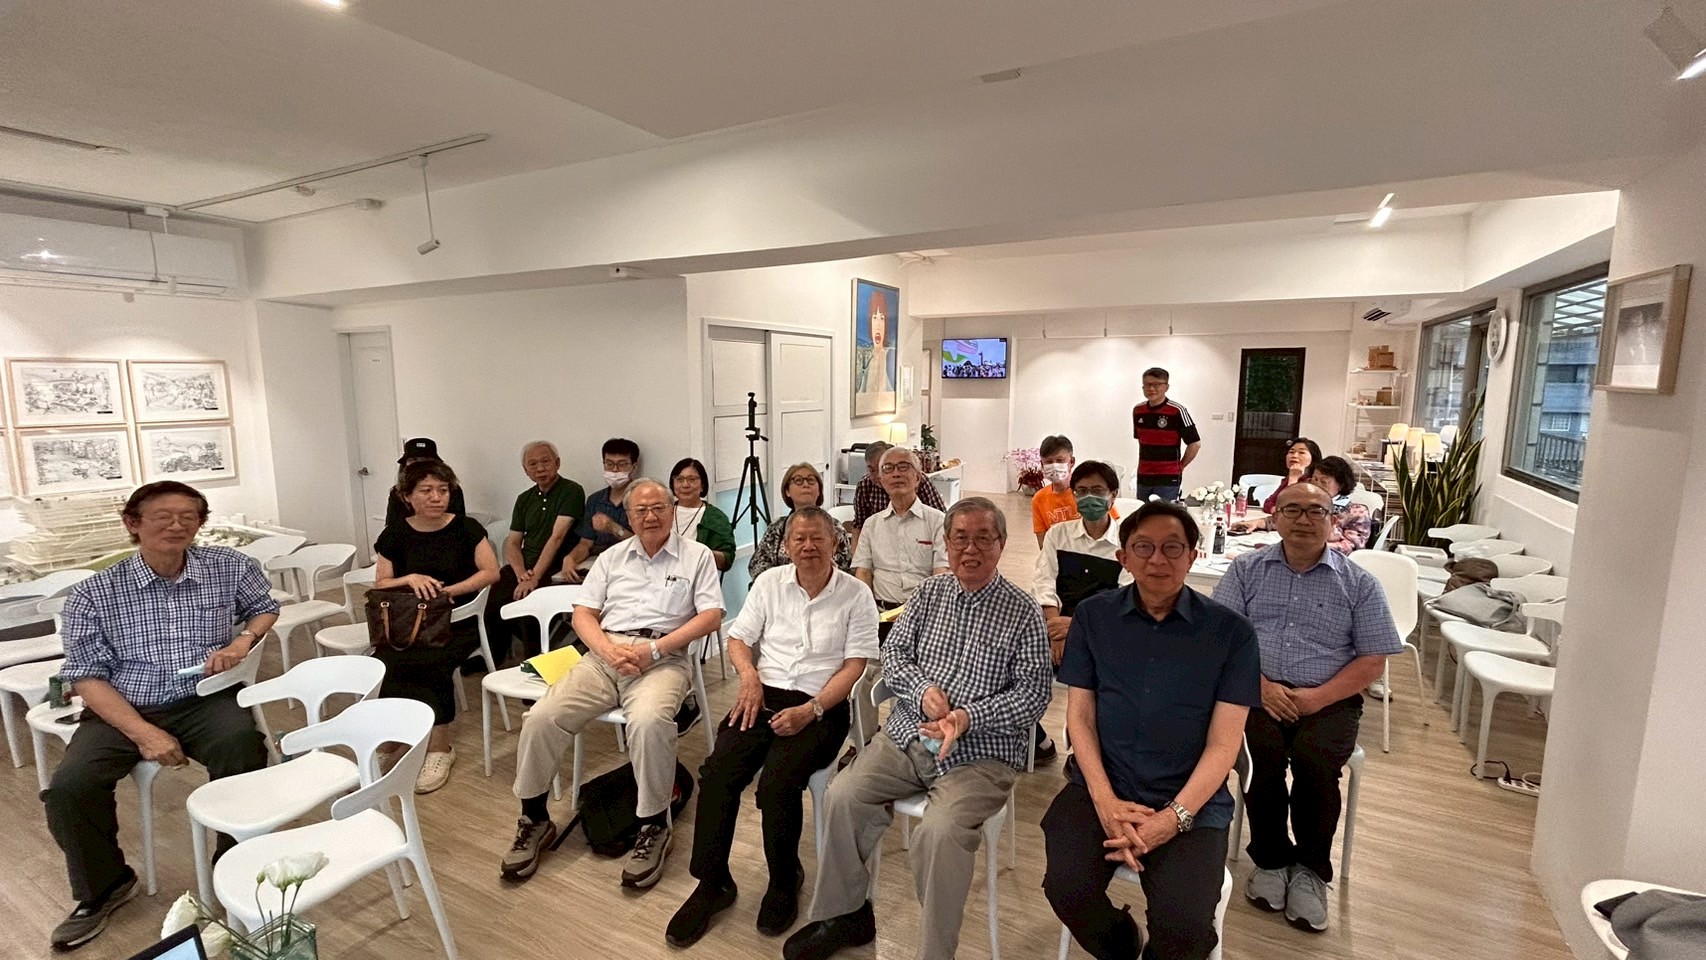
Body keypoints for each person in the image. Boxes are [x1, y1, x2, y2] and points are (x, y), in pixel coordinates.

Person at [783, 498, 1051, 960]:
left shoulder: (1023, 611)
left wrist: (967, 718)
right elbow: (894, 654)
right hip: (907, 737)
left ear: (1002, 545)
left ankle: (935, 952)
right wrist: (923, 690)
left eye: (983, 538)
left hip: (979, 755)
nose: (970, 549)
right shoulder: (929, 594)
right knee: (843, 796)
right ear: (945, 543)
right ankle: (847, 916)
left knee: (939, 834)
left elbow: (1034, 694)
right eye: (960, 538)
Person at [43, 482, 278, 950]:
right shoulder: (94, 593)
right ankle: (104, 886)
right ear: (133, 523)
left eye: (188, 516)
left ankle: (233, 863)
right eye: (163, 516)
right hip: (123, 706)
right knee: (71, 787)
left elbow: (264, 608)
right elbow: (85, 677)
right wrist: (144, 733)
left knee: (242, 749)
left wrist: (242, 641)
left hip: (203, 697)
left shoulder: (229, 566)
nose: (177, 525)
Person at [1043, 501, 1260, 960]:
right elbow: (1080, 719)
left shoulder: (1232, 633)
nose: (1157, 559)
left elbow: (1224, 745)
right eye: (1143, 547)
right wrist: (1105, 802)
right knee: (1066, 888)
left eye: (1172, 548)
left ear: (1193, 556)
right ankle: (1124, 945)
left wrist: (1171, 819)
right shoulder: (1094, 617)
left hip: (1189, 796)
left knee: (1185, 926)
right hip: (1103, 783)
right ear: (1123, 558)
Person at [666, 507, 878, 947]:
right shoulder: (768, 583)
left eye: (818, 538)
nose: (808, 546)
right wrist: (748, 676)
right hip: (762, 694)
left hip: (822, 705)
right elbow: (738, 638)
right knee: (717, 772)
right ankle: (713, 883)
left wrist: (812, 709)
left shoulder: (856, 594)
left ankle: (784, 879)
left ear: (836, 543)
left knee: (779, 783)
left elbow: (855, 665)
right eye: (799, 538)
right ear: (786, 545)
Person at [501, 479, 724, 889]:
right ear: (630, 517)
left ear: (672, 510)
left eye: (658, 508)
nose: (650, 516)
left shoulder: (697, 557)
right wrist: (606, 650)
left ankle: (654, 824)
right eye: (641, 510)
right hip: (605, 656)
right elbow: (583, 614)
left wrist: (654, 650)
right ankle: (534, 817)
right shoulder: (612, 558)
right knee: (543, 716)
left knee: (649, 723)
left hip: (663, 658)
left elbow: (711, 616)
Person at [1212, 482, 1402, 933]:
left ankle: (1311, 871)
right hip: (1257, 691)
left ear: (1332, 520)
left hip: (1329, 696)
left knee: (1316, 762)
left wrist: (1316, 697)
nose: (1303, 519)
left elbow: (1372, 660)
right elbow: (1219, 639)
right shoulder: (1246, 570)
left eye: (1315, 511)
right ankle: (1272, 859)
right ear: (1275, 517)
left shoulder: (1359, 583)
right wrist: (1260, 687)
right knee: (1260, 756)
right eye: (1292, 510)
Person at [372, 460, 500, 793]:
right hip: (410, 623)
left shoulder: (466, 528)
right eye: (426, 490)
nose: (436, 497)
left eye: (443, 490)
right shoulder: (395, 533)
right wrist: (410, 578)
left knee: (431, 660)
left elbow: (491, 572)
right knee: (386, 660)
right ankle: (398, 739)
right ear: (407, 496)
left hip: (458, 620)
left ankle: (440, 748)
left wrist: (448, 593)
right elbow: (382, 583)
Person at [488, 441, 586, 660]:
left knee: (530, 608)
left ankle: (535, 661)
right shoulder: (524, 499)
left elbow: (556, 537)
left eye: (545, 461)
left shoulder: (571, 491)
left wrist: (534, 578)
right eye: (532, 464)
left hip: (554, 565)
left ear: (557, 463)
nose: (540, 468)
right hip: (525, 565)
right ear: (525, 470)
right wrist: (521, 574)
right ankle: (494, 657)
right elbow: (513, 543)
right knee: (493, 601)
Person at [1033, 461, 1131, 667]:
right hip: (1056, 627)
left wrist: (1076, 627)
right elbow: (1044, 583)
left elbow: (1125, 599)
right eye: (1082, 491)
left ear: (1113, 495)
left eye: (1097, 491)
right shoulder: (1058, 534)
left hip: (1103, 631)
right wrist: (1056, 631)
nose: (1089, 497)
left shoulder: (1127, 544)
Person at [851, 446, 947, 612]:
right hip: (881, 612)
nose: (896, 474)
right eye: (888, 468)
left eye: (903, 467)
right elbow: (863, 572)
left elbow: (941, 572)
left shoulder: (938, 521)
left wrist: (930, 612)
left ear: (918, 477)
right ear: (881, 480)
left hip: (923, 611)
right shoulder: (871, 524)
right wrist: (867, 611)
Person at [1232, 456, 1370, 554]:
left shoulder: (1356, 511)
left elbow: (1352, 547)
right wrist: (1257, 523)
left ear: (1341, 485)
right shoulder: (1308, 503)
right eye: (1315, 479)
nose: (1316, 485)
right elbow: (1288, 517)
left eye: (1324, 482)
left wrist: (1307, 548)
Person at [748, 463, 853, 580]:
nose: (805, 484)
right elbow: (757, 565)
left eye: (811, 480)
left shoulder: (835, 527)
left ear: (819, 490)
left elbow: (846, 568)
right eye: (798, 480)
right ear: (787, 491)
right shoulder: (777, 527)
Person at [559, 438, 641, 583]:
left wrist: (613, 528)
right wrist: (571, 558)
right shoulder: (595, 500)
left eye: (622, 464)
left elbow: (647, 543)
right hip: (598, 563)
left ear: (633, 467)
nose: (615, 470)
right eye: (609, 464)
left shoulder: (643, 498)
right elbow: (586, 543)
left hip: (634, 564)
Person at [1131, 368, 1201, 501]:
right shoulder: (1138, 410)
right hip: (1144, 476)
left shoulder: (1178, 410)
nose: (1151, 388)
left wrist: (1181, 466)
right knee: (1143, 511)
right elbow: (1141, 440)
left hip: (1168, 477)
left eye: (1157, 384)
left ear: (1166, 387)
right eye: (1147, 384)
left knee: (1165, 511)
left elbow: (1195, 443)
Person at [851, 440, 946, 538]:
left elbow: (941, 519)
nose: (878, 475)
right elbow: (859, 525)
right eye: (872, 470)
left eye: (887, 468)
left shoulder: (916, 479)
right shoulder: (865, 485)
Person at [669, 457, 738, 572]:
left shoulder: (716, 517)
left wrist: (699, 553)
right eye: (679, 479)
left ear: (702, 485)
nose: (685, 485)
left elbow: (727, 559)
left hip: (699, 576)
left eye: (692, 479)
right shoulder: (662, 511)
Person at [384, 437, 468, 528]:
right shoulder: (397, 492)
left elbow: (459, 523)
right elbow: (392, 525)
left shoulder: (453, 489)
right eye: (414, 460)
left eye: (426, 460)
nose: (420, 466)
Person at [1032, 434, 1078, 547]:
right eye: (1048, 462)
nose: (1054, 466)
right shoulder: (1039, 499)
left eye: (1060, 460)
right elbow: (1043, 544)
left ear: (1071, 461)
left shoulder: (1087, 492)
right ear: (1042, 465)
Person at [1260, 437, 1323, 514]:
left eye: (1301, 452)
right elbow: (1268, 504)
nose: (1294, 456)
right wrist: (1278, 511)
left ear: (1313, 458)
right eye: (1291, 452)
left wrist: (1293, 479)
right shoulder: (1288, 478)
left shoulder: (1314, 481)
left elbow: (1292, 507)